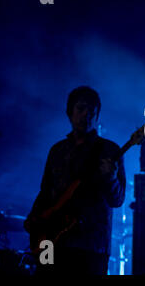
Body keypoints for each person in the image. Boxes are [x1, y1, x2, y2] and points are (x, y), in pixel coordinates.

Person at [24, 86, 126, 275]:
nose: (86, 115)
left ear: (97, 116)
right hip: (52, 241)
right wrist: (34, 219)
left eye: (92, 111)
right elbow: (45, 192)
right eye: (80, 108)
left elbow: (117, 200)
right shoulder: (57, 150)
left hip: (90, 246)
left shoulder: (110, 150)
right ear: (69, 112)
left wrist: (111, 178)